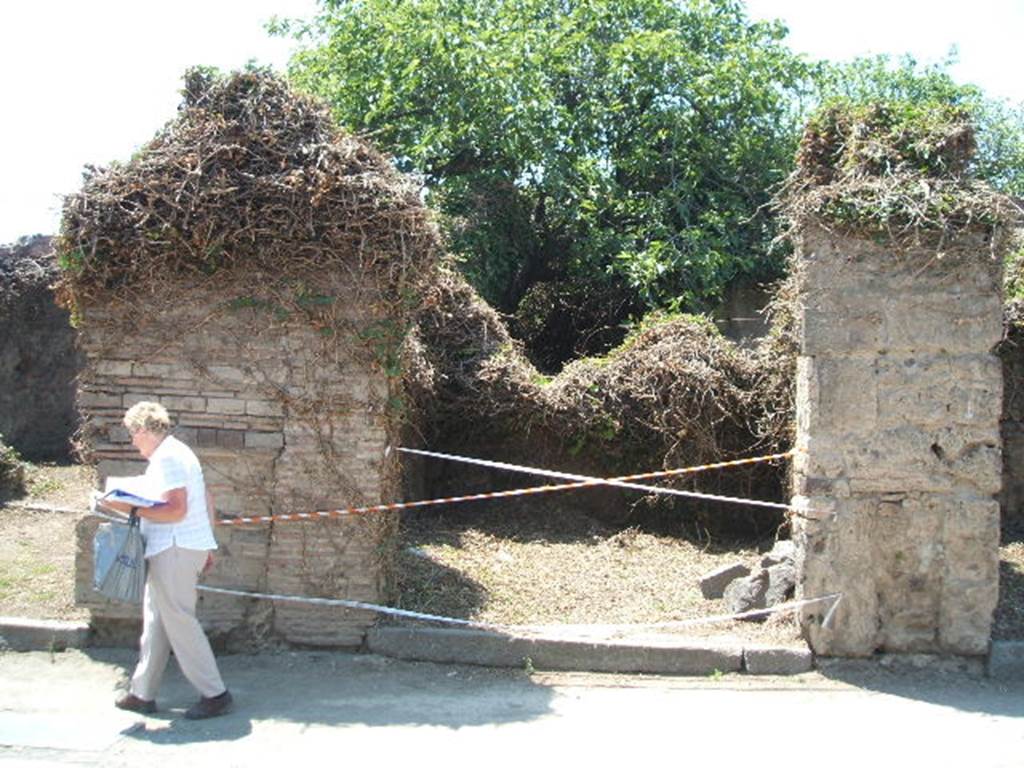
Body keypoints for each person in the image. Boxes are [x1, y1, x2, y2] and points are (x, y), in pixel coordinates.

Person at [103, 401, 232, 719]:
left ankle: (215, 693)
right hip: (178, 547)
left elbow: (177, 509)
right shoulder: (175, 453)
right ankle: (142, 693)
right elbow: (206, 498)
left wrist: (127, 507)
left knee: (179, 620)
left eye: (133, 434)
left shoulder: (169, 458)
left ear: (144, 430)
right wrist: (207, 542)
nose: (133, 441)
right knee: (158, 620)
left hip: (174, 548)